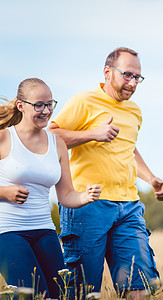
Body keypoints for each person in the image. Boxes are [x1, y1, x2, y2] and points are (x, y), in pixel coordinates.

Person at [48, 47, 163, 298]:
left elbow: (129, 149)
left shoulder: (134, 111)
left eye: (137, 77)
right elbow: (50, 138)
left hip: (129, 206)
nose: (133, 83)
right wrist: (92, 134)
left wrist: (151, 178)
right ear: (107, 72)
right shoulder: (84, 101)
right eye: (127, 75)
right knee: (83, 291)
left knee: (140, 288)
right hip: (86, 204)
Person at [0, 78, 101, 298]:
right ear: (21, 105)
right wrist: (4, 192)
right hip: (7, 231)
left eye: (50, 104)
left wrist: (85, 196)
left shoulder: (57, 143)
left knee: (59, 294)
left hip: (44, 230)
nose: (46, 111)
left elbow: (65, 195)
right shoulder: (4, 138)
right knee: (31, 294)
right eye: (39, 105)